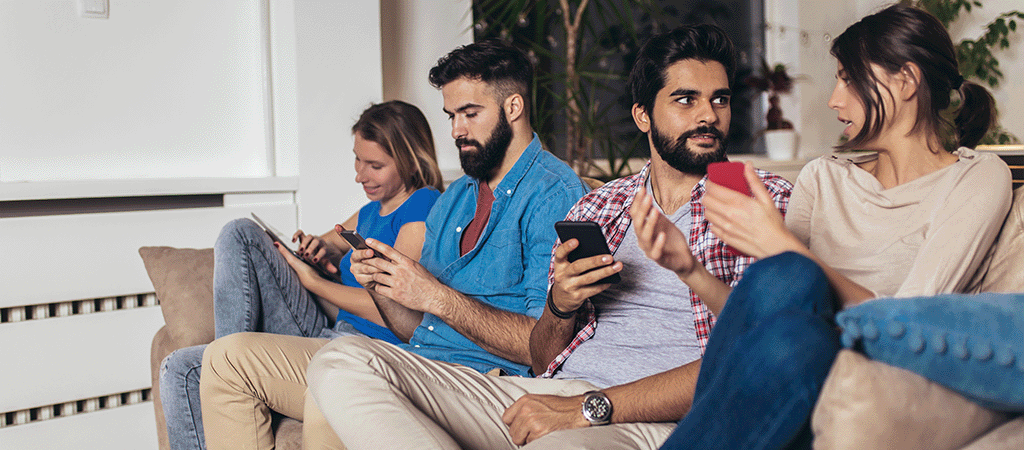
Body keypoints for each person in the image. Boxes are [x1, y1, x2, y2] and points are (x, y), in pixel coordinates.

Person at [304, 24, 792, 450]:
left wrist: (589, 408)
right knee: (342, 362)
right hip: (553, 390)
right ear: (643, 116)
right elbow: (542, 355)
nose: (708, 115)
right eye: (686, 100)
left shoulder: (761, 202)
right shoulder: (602, 206)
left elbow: (751, 353)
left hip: (640, 414)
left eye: (719, 100)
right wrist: (560, 303)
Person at [197, 40, 589, 449]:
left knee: (339, 384)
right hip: (417, 358)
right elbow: (415, 326)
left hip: (481, 379)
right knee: (227, 358)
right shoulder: (455, 199)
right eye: (451, 115)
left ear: (513, 107)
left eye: (470, 114)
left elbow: (543, 347)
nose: (456, 130)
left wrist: (435, 295)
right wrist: (379, 283)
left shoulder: (554, 196)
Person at [657, 4, 1012, 449]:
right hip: (780, 368)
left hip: (865, 373)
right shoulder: (824, 177)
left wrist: (781, 243)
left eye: (847, 78)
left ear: (905, 80)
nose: (833, 99)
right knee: (787, 285)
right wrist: (689, 268)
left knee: (795, 317)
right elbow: (759, 318)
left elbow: (911, 323)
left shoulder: (976, 177)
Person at [158, 100, 444, 450]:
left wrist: (315, 283)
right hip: (328, 329)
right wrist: (315, 251)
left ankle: (228, 368)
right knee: (179, 366)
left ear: (411, 160)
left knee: (189, 369)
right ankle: (227, 361)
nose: (360, 175)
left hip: (364, 348)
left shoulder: (423, 206)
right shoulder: (370, 210)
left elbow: (397, 312)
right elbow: (326, 243)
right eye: (358, 159)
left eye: (375, 165)